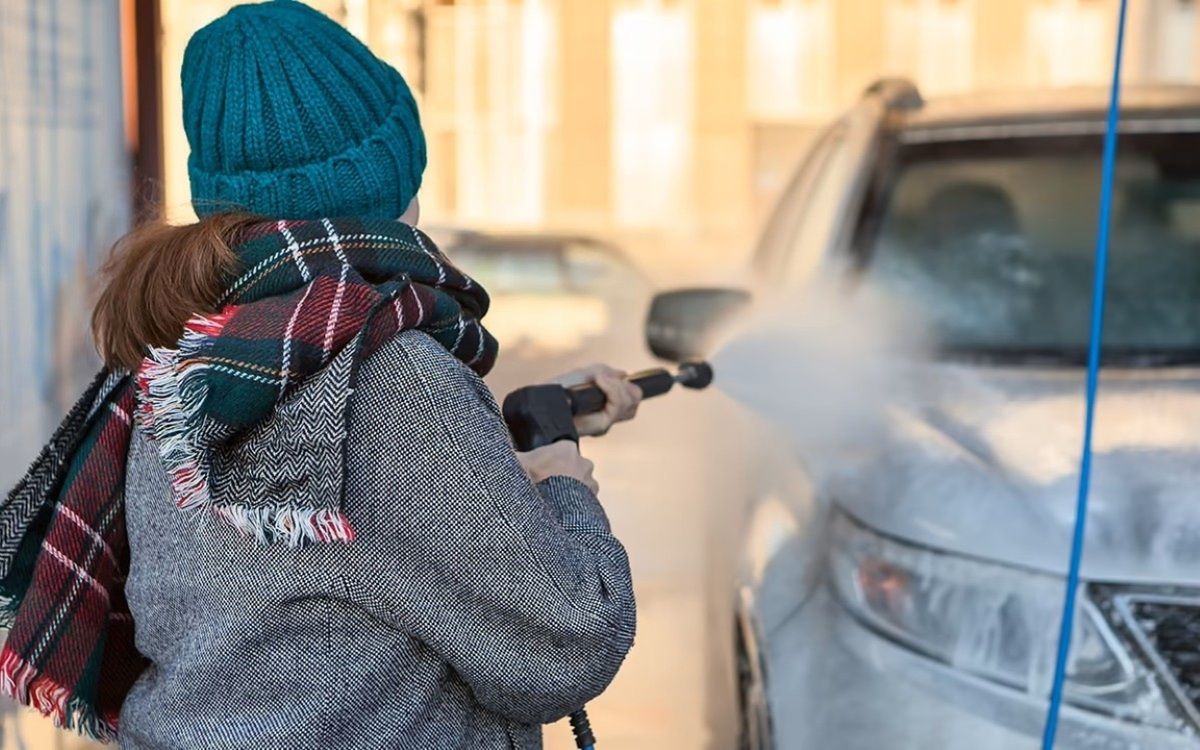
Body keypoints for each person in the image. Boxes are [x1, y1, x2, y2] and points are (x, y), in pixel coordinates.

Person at [0, 2, 639, 748]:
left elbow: (320, 565)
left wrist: (504, 464)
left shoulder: (177, 367)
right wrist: (563, 484)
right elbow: (567, 643)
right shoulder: (391, 375)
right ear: (378, 184)